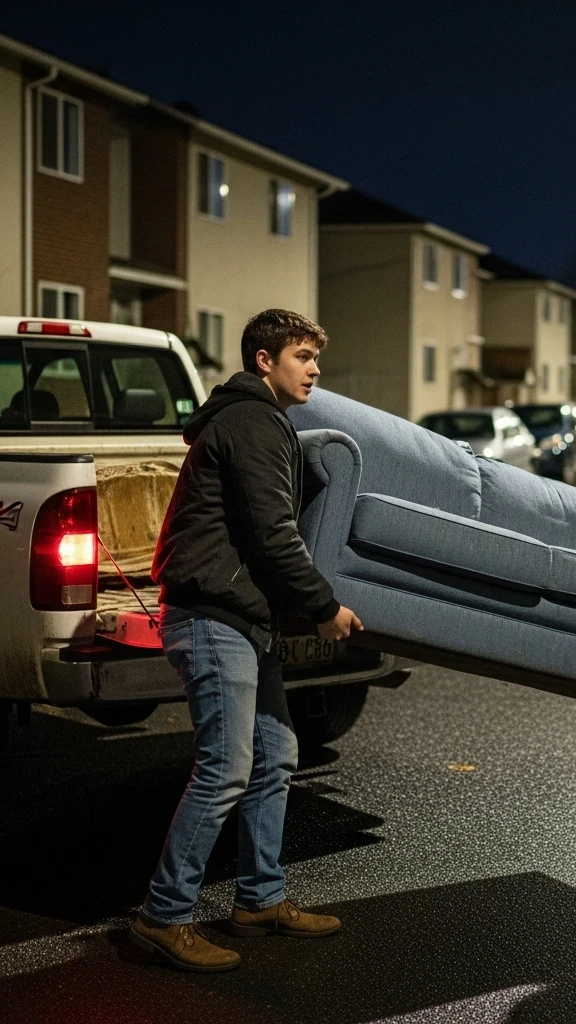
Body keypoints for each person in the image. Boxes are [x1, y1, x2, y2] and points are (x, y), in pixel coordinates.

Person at [130, 309, 363, 971]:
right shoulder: (253, 421)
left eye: (316, 357)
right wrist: (323, 606)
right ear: (264, 360)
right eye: (300, 355)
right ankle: (161, 916)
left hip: (238, 616)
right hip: (213, 615)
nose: (314, 368)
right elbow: (271, 533)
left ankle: (260, 899)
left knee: (274, 756)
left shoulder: (261, 420)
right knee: (225, 770)